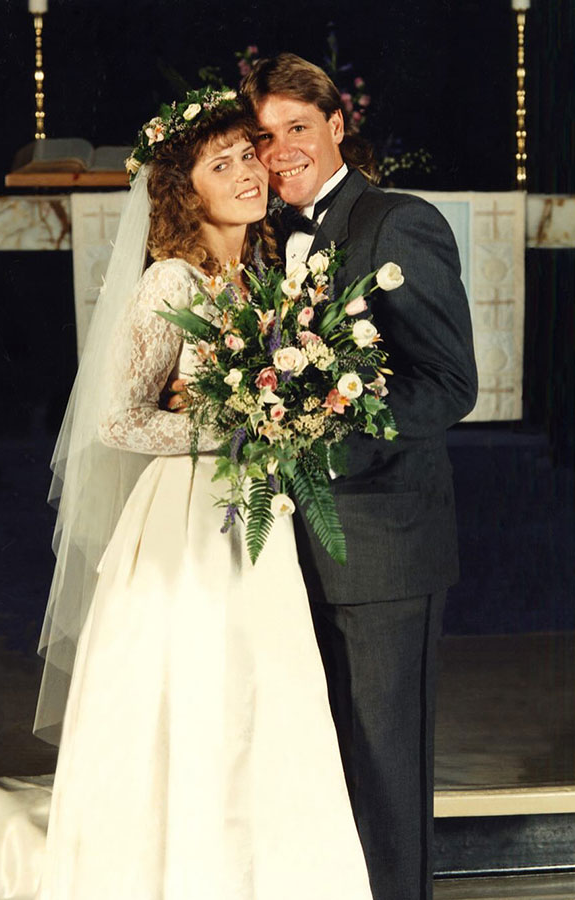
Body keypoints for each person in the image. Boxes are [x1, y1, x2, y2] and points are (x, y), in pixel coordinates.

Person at [0, 90, 372, 900]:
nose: (248, 173)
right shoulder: (170, 284)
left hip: (257, 515)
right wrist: (238, 428)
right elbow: (117, 419)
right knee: (193, 694)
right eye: (220, 165)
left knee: (263, 691)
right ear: (189, 192)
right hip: (183, 521)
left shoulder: (268, 271)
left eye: (247, 156)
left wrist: (291, 416)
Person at [241, 54, 478, 900]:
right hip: (286, 552)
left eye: (297, 129)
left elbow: (450, 383)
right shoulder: (258, 238)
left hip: (381, 546)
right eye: (263, 138)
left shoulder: (395, 221)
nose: (280, 152)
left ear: (337, 125)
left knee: (383, 770)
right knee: (316, 762)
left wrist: (320, 441)